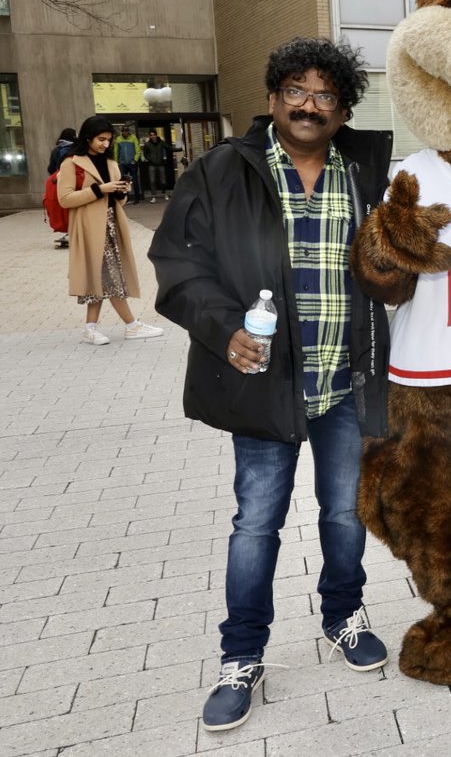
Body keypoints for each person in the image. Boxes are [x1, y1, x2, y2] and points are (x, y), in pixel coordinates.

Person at [149, 37, 393, 732]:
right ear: (272, 100)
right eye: (296, 90)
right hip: (266, 384)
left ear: (343, 108)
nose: (310, 105)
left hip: (346, 383)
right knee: (255, 523)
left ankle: (343, 618)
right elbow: (174, 262)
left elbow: (390, 269)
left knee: (346, 516)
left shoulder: (366, 173)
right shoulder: (225, 169)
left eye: (325, 94)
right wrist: (223, 327)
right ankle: (242, 656)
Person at [57, 117, 164, 344]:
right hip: (89, 229)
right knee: (110, 277)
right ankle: (131, 325)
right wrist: (99, 189)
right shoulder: (71, 163)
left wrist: (120, 192)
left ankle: (90, 328)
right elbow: (65, 199)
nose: (105, 144)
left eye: (108, 140)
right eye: (101, 139)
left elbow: (117, 202)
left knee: (102, 278)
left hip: (112, 226)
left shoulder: (111, 164)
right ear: (88, 137)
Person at [47, 128, 77, 247]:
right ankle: (75, 231)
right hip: (75, 181)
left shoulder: (56, 150)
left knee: (64, 208)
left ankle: (69, 232)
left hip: (59, 182)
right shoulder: (76, 149)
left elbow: (51, 169)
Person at [113, 124, 142, 203]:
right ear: (121, 132)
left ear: (128, 131)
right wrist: (116, 161)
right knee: (124, 182)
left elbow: (138, 150)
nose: (125, 132)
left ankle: (137, 198)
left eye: (126, 131)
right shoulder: (118, 139)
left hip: (132, 162)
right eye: (124, 131)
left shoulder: (133, 138)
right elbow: (116, 151)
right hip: (122, 163)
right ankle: (126, 198)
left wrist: (135, 160)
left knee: (135, 180)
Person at [142, 130, 168, 202]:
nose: (153, 136)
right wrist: (150, 159)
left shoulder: (161, 142)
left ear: (156, 135)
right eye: (151, 135)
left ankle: (165, 193)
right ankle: (153, 196)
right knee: (152, 181)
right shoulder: (147, 144)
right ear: (150, 136)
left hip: (161, 164)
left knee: (163, 181)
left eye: (154, 135)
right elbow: (145, 153)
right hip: (152, 165)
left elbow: (169, 148)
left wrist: (180, 149)